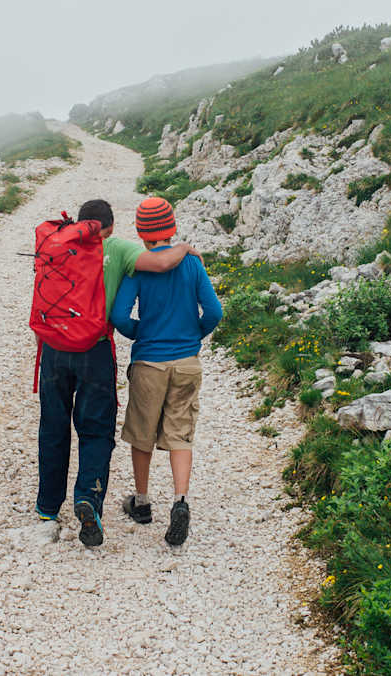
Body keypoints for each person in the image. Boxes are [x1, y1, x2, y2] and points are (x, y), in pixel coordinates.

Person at [35, 198, 201, 547]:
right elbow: (161, 261)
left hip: (53, 347)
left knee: (53, 425)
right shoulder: (118, 247)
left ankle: (48, 507)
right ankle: (89, 501)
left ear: (81, 223)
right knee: (95, 430)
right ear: (108, 227)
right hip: (94, 348)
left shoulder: (57, 243)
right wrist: (185, 247)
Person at [111, 197, 222, 546]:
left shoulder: (139, 267)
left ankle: (142, 502)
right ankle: (180, 502)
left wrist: (141, 334)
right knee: (180, 432)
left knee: (142, 432)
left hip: (149, 362)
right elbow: (215, 311)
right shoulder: (192, 264)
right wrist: (193, 336)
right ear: (172, 228)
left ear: (142, 235)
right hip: (187, 361)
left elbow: (118, 317)